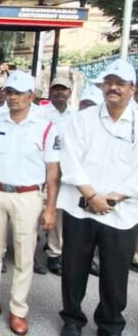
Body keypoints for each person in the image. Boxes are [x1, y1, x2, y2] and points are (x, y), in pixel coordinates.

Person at [0, 71, 60, 335]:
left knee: (24, 255)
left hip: (28, 196)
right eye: (9, 92)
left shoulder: (45, 126)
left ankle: (18, 310)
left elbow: (53, 172)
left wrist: (50, 208)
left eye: (19, 93)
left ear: (31, 96)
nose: (13, 98)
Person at [57, 59, 138, 336]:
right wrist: (91, 195)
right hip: (80, 207)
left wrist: (115, 197)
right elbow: (69, 158)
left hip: (121, 212)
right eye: (109, 82)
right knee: (73, 268)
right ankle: (72, 318)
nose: (113, 87)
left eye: (120, 83)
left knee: (115, 274)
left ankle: (110, 323)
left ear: (132, 88)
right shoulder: (83, 119)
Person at [40, 76, 74, 276]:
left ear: (70, 92)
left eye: (64, 89)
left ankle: (54, 253)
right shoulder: (40, 114)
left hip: (65, 168)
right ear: (50, 91)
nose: (60, 92)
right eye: (56, 89)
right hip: (41, 166)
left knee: (57, 210)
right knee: (36, 208)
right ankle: (30, 251)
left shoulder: (76, 116)